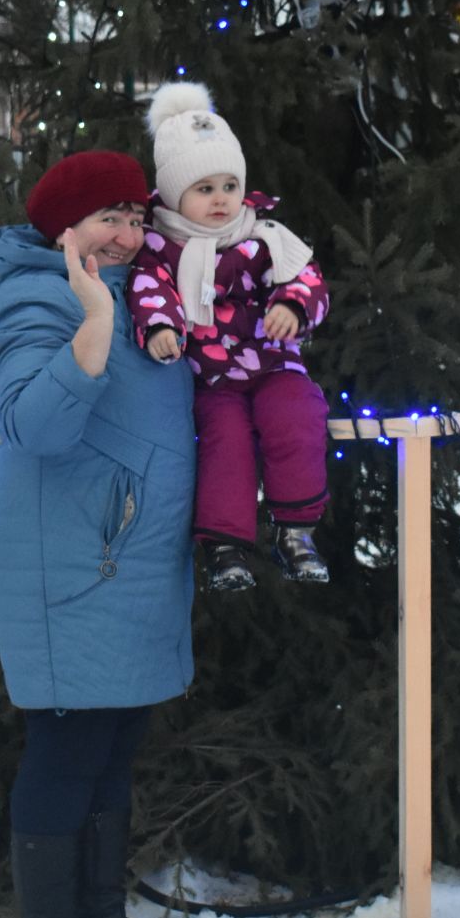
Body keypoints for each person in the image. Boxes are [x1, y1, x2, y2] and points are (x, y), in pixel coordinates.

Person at [0, 150, 203, 918]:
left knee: (112, 750)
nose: (127, 234)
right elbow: (35, 424)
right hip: (69, 563)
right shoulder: (39, 294)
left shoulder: (146, 285)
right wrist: (95, 321)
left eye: (137, 217)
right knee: (68, 752)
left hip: (130, 555)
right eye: (108, 218)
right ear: (62, 226)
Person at [127, 82, 332, 591]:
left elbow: (307, 277)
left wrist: (292, 305)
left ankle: (296, 530)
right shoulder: (160, 245)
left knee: (298, 416)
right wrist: (159, 327)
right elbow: (149, 288)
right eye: (204, 189)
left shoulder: (263, 237)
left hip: (272, 364)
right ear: (175, 194)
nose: (221, 200)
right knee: (225, 443)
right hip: (209, 378)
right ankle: (226, 545)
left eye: (229, 186)